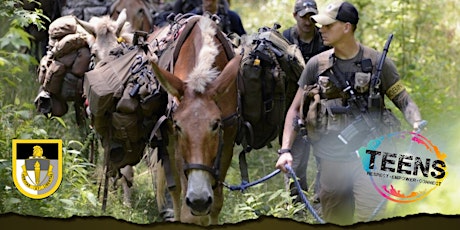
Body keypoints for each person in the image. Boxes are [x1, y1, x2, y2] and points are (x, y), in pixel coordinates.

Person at [275, 0, 424, 225]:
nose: (321, 30)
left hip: (372, 158)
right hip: (332, 159)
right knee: (335, 219)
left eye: (328, 26)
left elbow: (403, 100)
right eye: (321, 26)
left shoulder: (377, 63)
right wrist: (285, 149)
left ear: (346, 27)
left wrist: (417, 123)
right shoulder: (316, 65)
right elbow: (295, 110)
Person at [280, 0, 331, 206]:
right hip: (294, 106)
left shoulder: (325, 38)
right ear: (295, 16)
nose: (308, 21)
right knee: (296, 161)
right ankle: (298, 205)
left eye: (312, 16)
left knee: (325, 156)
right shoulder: (284, 40)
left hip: (322, 107)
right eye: (303, 16)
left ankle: (321, 201)